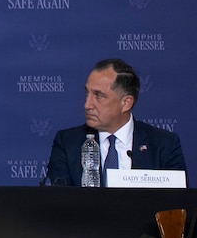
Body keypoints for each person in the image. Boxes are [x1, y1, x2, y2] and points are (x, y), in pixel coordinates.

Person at [44, 58, 185, 186]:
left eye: (98, 96)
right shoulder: (68, 143)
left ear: (126, 103)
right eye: (87, 93)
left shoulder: (164, 145)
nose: (87, 105)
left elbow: (176, 204)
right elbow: (58, 204)